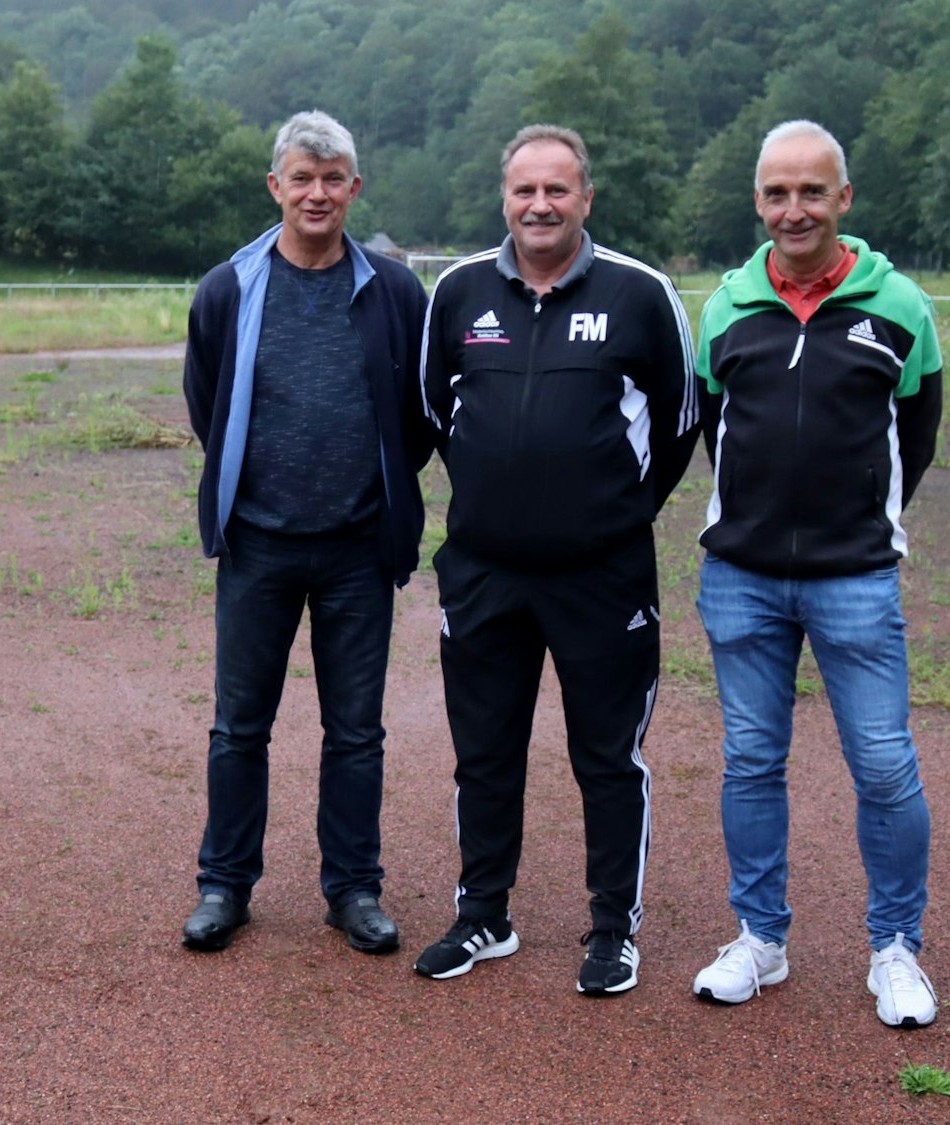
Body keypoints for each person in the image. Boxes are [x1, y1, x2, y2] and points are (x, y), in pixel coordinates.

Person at [412, 124, 699, 995]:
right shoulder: (458, 291)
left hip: (602, 576)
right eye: (525, 190)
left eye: (557, 190)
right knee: (484, 753)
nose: (540, 205)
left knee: (607, 758)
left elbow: (680, 423)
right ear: (505, 197)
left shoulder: (641, 293)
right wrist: (499, 494)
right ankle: (483, 914)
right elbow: (435, 411)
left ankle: (613, 927)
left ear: (586, 198)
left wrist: (608, 510)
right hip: (484, 571)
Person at [686, 120, 945, 1027]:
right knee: (751, 761)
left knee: (884, 765)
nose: (794, 209)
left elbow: (915, 437)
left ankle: (895, 948)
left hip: (855, 579)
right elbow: (717, 430)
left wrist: (856, 519)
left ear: (843, 198)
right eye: (777, 193)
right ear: (758, 201)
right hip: (741, 578)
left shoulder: (901, 306)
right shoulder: (724, 309)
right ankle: (761, 938)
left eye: (811, 191)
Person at [178, 110, 432, 956]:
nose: (316, 193)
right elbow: (209, 402)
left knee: (356, 731)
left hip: (359, 547)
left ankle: (353, 889)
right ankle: (225, 884)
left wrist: (371, 488)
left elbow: (415, 415)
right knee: (238, 727)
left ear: (353, 187)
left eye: (331, 179)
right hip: (259, 545)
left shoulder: (394, 291)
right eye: (301, 177)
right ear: (275, 186)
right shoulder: (228, 288)